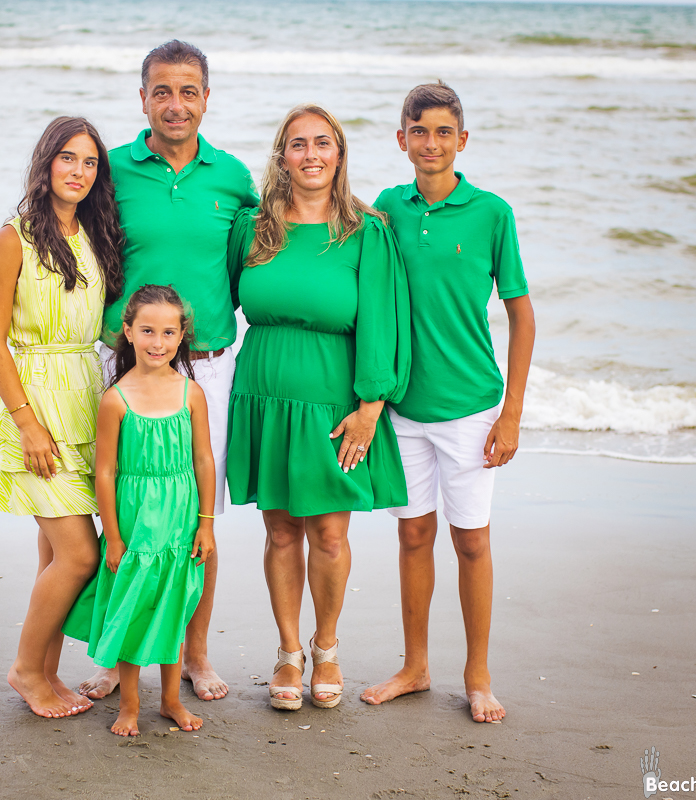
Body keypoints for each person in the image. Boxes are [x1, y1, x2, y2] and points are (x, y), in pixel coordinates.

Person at [0, 40, 257, 702]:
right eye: (162, 90)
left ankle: (195, 654)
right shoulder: (114, 171)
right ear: (143, 98)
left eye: (189, 91)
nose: (176, 103)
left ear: (207, 98)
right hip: (112, 364)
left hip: (206, 366)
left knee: (192, 516)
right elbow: (51, 244)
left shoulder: (234, 177)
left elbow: (265, 254)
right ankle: (110, 647)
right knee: (108, 511)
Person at [360, 82, 535, 724]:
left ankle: (478, 673)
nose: (430, 143)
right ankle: (414, 666)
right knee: (412, 535)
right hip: (404, 407)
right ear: (400, 138)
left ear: (462, 140)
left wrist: (512, 411)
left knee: (471, 543)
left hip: (471, 408)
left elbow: (520, 313)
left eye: (443, 132)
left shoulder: (491, 213)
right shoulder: (386, 209)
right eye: (418, 130)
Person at [225, 105, 411, 710]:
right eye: (297, 144)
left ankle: (326, 645)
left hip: (335, 398)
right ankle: (287, 652)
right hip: (265, 391)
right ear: (281, 155)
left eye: (322, 143)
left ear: (340, 153)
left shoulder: (367, 231)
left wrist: (371, 406)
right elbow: (211, 294)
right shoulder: (252, 228)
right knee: (280, 530)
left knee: (329, 533)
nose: (311, 155)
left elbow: (381, 320)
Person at [0, 116, 125, 719]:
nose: (78, 172)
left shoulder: (91, 233)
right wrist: (28, 424)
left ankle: (48, 672)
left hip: (84, 396)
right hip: (36, 405)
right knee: (80, 553)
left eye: (89, 162)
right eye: (68, 158)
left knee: (54, 553)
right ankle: (27, 670)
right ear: (45, 162)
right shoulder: (14, 239)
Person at [61, 285, 217, 736]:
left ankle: (170, 701)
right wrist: (111, 534)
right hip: (134, 522)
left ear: (182, 335)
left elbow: (204, 461)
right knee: (132, 608)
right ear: (127, 332)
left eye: (169, 333)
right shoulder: (116, 399)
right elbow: (105, 472)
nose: (158, 342)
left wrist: (206, 525)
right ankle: (129, 703)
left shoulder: (192, 393)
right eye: (147, 330)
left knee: (172, 607)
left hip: (181, 521)